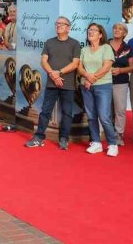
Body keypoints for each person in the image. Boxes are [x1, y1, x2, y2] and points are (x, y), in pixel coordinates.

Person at [25, 16, 81, 150]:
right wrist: (53, 75)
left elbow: (75, 64)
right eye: (57, 24)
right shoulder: (49, 42)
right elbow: (44, 61)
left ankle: (64, 139)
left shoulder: (75, 43)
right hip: (51, 83)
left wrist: (59, 73)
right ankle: (39, 137)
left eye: (62, 24)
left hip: (68, 84)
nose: (58, 26)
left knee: (67, 112)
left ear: (68, 28)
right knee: (45, 111)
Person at [78, 23, 117, 156]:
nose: (90, 32)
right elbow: (80, 68)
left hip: (103, 86)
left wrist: (91, 79)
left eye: (94, 30)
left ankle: (112, 144)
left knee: (104, 116)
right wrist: (87, 78)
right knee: (91, 115)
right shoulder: (84, 50)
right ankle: (96, 142)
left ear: (100, 35)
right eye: (89, 30)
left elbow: (106, 67)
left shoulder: (106, 48)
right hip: (86, 86)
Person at [108, 22, 133, 146]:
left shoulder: (128, 48)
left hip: (121, 82)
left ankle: (119, 134)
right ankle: (106, 133)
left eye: (120, 29)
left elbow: (132, 67)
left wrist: (120, 70)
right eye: (115, 28)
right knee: (105, 109)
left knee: (120, 110)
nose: (117, 30)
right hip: (104, 81)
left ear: (124, 33)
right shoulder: (105, 45)